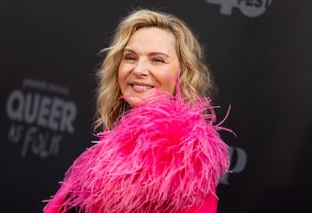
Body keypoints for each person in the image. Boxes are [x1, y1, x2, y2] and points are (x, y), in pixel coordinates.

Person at [44, 9, 230, 213]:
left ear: (183, 73)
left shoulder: (185, 163)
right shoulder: (111, 144)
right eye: (130, 57)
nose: (139, 69)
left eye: (157, 60)